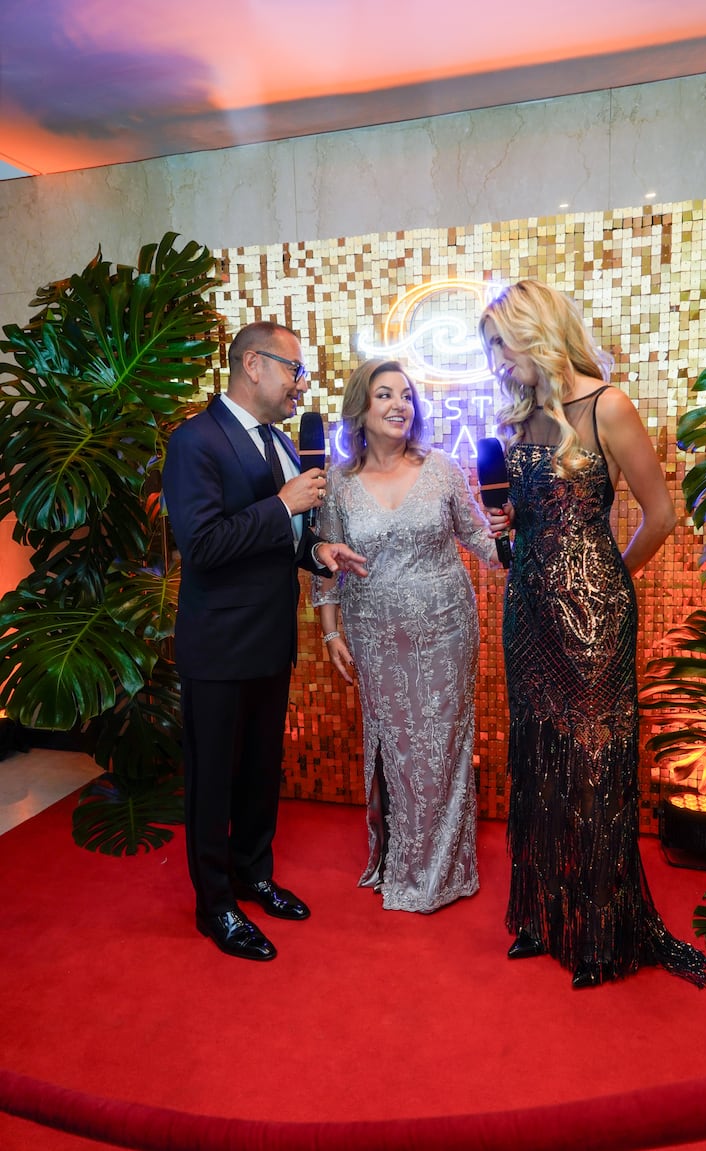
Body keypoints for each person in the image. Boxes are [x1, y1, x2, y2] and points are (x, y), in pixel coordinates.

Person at [478, 280, 706, 989]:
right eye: (487, 347)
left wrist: (609, 581)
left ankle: (602, 928)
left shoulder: (605, 404)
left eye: (500, 342)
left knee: (591, 769)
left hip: (593, 620)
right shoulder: (518, 419)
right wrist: (508, 527)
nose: (493, 360)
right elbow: (535, 516)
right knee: (541, 758)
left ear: (537, 331)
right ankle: (545, 915)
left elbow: (660, 513)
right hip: (527, 612)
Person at [162, 321, 367, 961]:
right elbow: (202, 545)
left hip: (268, 639)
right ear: (254, 365)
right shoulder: (194, 442)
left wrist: (317, 549)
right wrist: (282, 505)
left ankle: (254, 875)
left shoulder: (277, 441)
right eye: (293, 370)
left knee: (257, 771)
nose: (299, 384)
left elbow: (282, 536)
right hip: (218, 645)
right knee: (214, 778)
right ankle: (214, 905)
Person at [312, 358, 500, 913]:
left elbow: (479, 539)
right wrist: (330, 631)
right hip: (375, 636)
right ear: (360, 410)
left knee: (442, 746)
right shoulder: (338, 484)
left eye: (407, 396)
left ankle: (442, 871)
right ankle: (400, 857)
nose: (400, 405)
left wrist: (522, 544)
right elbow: (324, 562)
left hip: (446, 630)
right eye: (384, 395)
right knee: (398, 747)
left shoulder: (440, 467)